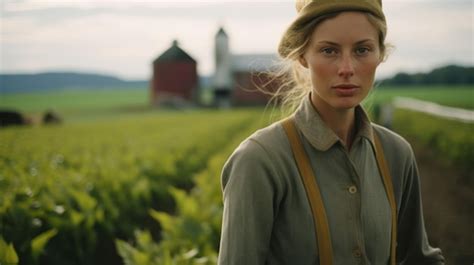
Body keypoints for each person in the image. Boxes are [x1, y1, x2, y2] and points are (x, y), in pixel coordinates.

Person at [217, 0, 445, 264]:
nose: (346, 68)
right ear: (303, 55)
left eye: (362, 49)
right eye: (329, 51)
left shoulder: (397, 154)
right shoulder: (259, 161)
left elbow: (418, 259)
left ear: (380, 54)